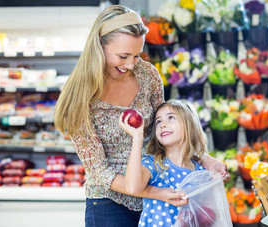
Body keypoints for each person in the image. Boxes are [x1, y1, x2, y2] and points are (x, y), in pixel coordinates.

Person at [54, 4, 229, 227]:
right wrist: (153, 192)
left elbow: (164, 131)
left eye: (136, 56)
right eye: (123, 56)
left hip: (160, 190)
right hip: (110, 203)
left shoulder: (147, 74)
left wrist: (203, 158)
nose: (130, 65)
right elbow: (99, 171)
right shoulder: (80, 96)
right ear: (99, 45)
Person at [120, 100, 229, 226]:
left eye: (171, 117)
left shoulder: (200, 173)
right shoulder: (153, 164)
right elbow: (133, 187)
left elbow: (207, 216)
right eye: (158, 121)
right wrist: (137, 138)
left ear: (189, 125)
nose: (163, 125)